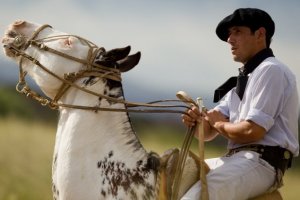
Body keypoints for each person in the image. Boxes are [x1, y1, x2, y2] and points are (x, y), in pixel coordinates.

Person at [181, 8, 299, 200]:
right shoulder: (242, 80)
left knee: (193, 198)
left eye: (237, 31)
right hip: (239, 160)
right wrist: (197, 123)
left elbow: (252, 131)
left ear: (260, 34)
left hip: (262, 163)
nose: (229, 39)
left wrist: (219, 124)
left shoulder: (272, 70)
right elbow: (208, 132)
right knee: (174, 178)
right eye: (229, 33)